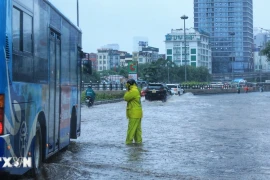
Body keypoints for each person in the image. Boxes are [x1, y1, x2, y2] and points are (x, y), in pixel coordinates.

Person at [124, 79, 143, 145]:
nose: (126, 86)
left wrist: (127, 91)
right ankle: (139, 144)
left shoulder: (133, 91)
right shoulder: (136, 90)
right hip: (138, 113)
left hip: (134, 113)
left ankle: (128, 143)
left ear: (129, 84)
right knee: (137, 130)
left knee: (131, 129)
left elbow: (126, 98)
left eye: (127, 85)